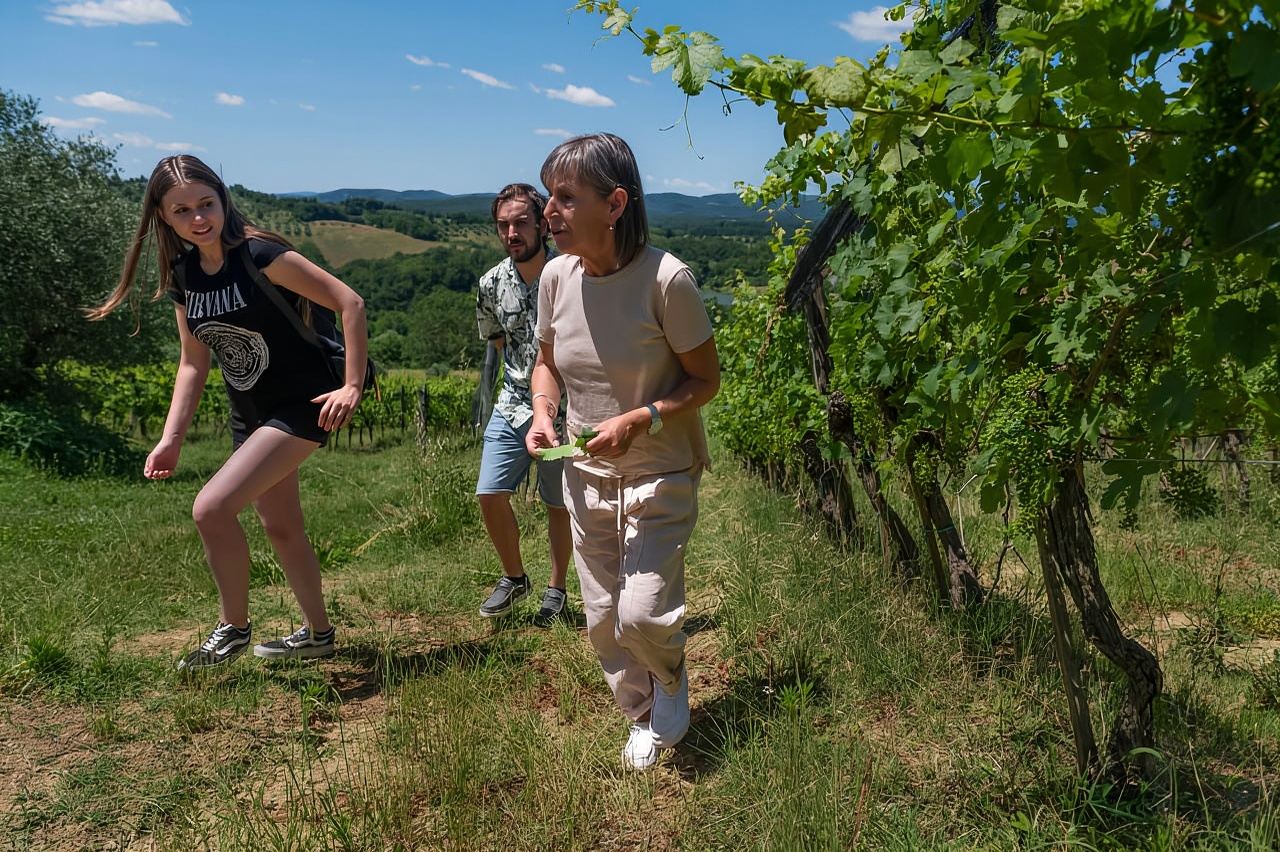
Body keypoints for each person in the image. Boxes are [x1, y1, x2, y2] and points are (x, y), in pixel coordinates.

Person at [88, 154, 368, 671]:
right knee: (281, 525)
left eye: (206, 203)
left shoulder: (261, 255)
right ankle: (319, 635)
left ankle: (233, 628)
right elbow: (192, 364)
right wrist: (172, 438)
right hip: (252, 412)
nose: (198, 218)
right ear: (163, 219)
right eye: (182, 211)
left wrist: (351, 385)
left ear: (223, 200)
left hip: (304, 402)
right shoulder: (184, 276)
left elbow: (349, 302)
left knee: (210, 508)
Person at [525, 134, 720, 770]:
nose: (546, 210)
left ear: (614, 204)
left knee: (642, 612)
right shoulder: (556, 277)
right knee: (604, 615)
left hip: (659, 465)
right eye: (547, 194)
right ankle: (640, 709)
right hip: (584, 469)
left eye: (564, 197)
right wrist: (544, 413)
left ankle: (668, 676)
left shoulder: (667, 280)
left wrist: (642, 418)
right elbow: (547, 364)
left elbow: (705, 381)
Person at [474, 184, 573, 625]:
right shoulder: (491, 284)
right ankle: (515, 578)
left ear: (541, 225)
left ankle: (557, 589)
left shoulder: (573, 273)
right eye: (503, 225)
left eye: (519, 223)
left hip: (568, 410)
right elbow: (497, 341)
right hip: (513, 401)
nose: (511, 232)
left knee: (559, 503)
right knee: (489, 494)